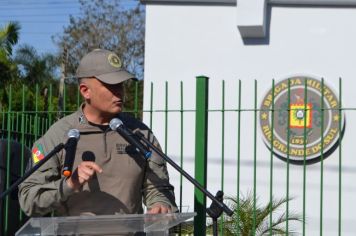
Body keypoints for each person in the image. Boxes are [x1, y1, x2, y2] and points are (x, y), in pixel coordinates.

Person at [18, 48, 177, 217]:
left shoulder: (139, 133)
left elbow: (159, 187)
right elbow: (29, 199)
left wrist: (160, 204)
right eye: (110, 85)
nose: (119, 91)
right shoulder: (59, 135)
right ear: (85, 91)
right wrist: (69, 185)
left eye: (121, 84)